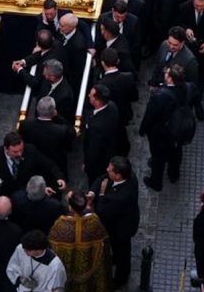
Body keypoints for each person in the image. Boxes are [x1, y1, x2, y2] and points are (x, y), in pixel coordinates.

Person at [140, 65, 194, 190]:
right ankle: (173, 174)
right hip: (179, 130)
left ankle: (156, 182)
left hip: (161, 133)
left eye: (167, 73)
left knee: (158, 158)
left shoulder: (159, 96)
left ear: (169, 78)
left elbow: (149, 116)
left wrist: (143, 130)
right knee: (176, 152)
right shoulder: (189, 87)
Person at [89, 157, 139, 287]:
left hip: (121, 229)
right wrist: (92, 192)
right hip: (119, 223)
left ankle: (121, 278)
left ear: (118, 176)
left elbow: (101, 210)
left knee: (122, 252)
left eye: (110, 169)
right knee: (118, 250)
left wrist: (100, 193)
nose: (107, 170)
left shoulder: (121, 197)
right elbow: (102, 178)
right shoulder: (129, 176)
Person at [48, 193, 112, 292]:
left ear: (70, 207)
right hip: (88, 268)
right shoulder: (94, 221)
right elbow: (104, 244)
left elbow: (51, 244)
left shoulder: (61, 224)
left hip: (67, 267)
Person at [0, 132, 65, 202]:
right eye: (15, 151)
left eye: (21, 149)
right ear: (6, 149)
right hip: (7, 195)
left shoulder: (30, 150)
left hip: (28, 193)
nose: (20, 154)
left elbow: (49, 164)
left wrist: (59, 177)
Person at [20, 97, 75, 182]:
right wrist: (58, 117)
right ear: (53, 112)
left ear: (37, 109)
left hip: (32, 165)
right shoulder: (61, 131)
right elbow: (72, 133)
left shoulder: (25, 125)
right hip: (55, 168)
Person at [82, 84, 126, 184]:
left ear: (97, 101)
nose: (88, 95)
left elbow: (92, 152)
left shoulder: (96, 128)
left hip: (99, 162)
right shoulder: (112, 105)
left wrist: (87, 165)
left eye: (91, 95)